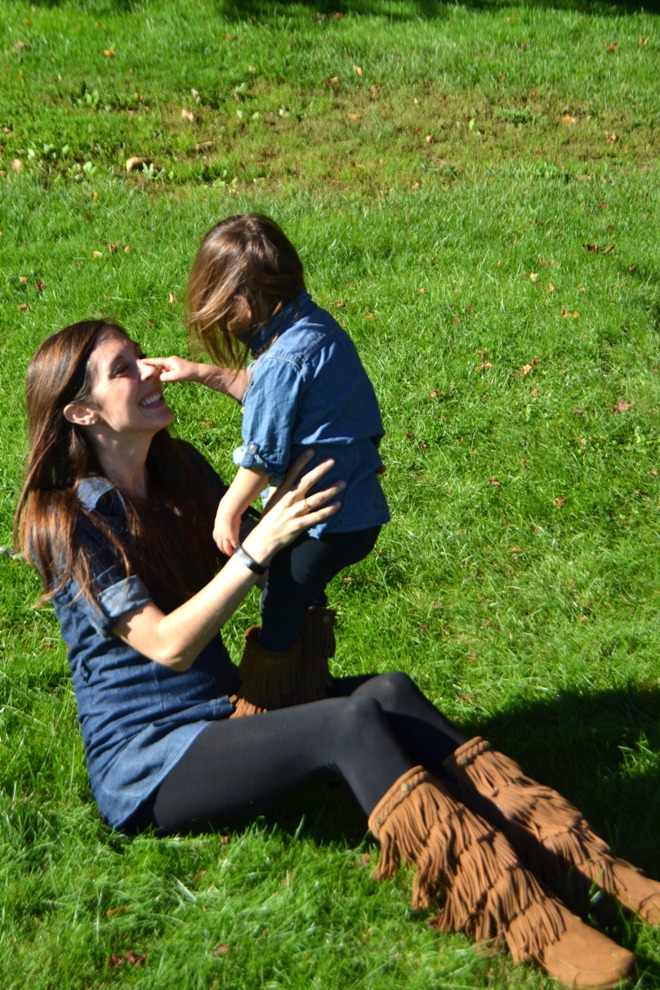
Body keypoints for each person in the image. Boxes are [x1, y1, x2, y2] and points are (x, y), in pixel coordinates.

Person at [14, 319, 660, 989]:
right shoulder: (65, 522)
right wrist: (256, 549)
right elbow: (169, 645)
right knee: (345, 724)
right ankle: (526, 918)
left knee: (389, 692)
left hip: (222, 710)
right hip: (151, 760)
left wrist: (338, 485)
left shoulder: (178, 473)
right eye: (124, 369)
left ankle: (595, 869)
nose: (150, 369)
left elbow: (274, 536)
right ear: (83, 413)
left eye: (140, 356)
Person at [145, 214, 390, 714]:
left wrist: (229, 509)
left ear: (243, 301)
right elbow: (269, 392)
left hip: (326, 520)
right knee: (301, 595)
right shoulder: (312, 327)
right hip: (357, 505)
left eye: (220, 308)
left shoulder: (280, 361)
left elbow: (265, 451)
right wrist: (200, 372)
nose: (219, 321)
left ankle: (263, 701)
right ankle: (310, 684)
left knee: (280, 598)